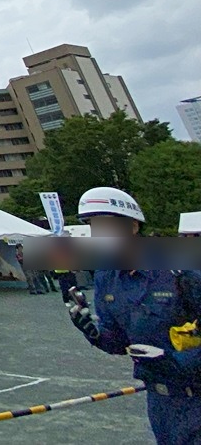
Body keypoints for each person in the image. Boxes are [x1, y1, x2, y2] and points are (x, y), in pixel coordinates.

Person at [67, 186, 201, 444]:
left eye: (108, 227)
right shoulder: (107, 276)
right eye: (95, 228)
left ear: (133, 227)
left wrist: (176, 361)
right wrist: (94, 334)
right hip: (162, 404)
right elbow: (119, 342)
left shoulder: (180, 267)